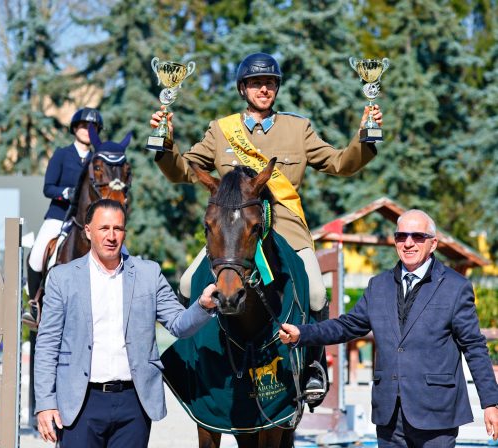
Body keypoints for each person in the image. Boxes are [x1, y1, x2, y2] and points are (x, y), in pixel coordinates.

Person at [150, 52, 382, 397]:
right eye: (256, 83)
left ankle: (314, 365)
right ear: (243, 89)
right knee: (186, 282)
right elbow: (183, 171)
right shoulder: (221, 130)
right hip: (234, 233)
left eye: (270, 83)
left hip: (285, 227)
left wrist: (365, 137)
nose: (264, 89)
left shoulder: (298, 129)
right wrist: (164, 144)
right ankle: (191, 359)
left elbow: (339, 163)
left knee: (316, 292)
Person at [279, 209, 498, 446]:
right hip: (389, 415)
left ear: (433, 243)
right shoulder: (378, 285)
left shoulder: (455, 287)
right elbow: (347, 326)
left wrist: (491, 403)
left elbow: (474, 347)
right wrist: (302, 333)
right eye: (401, 236)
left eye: (417, 236)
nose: (408, 243)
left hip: (436, 412)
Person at [34, 199, 217, 447]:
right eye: (104, 228)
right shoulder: (62, 278)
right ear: (88, 231)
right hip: (79, 402)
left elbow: (178, 323)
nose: (111, 236)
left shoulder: (148, 274)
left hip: (134, 403)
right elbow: (47, 344)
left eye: (117, 228)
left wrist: (203, 305)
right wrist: (45, 403)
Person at [27, 107, 104, 302]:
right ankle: (34, 304)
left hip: (88, 221)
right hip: (59, 216)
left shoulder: (97, 160)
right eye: (84, 126)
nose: (88, 130)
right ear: (75, 128)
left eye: (93, 127)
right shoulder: (62, 154)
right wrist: (66, 192)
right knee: (36, 257)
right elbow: (48, 188)